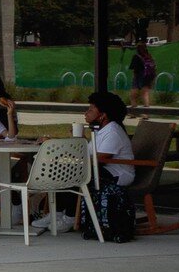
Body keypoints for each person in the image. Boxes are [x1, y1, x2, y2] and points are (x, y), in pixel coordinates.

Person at [38, 90, 137, 235]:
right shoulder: (101, 131)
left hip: (118, 173)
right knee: (64, 170)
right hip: (101, 169)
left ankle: (70, 217)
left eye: (91, 110)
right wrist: (76, 142)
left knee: (74, 172)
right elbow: (89, 153)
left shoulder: (113, 132)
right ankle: (56, 213)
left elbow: (100, 159)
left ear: (103, 115)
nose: (86, 113)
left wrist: (69, 155)